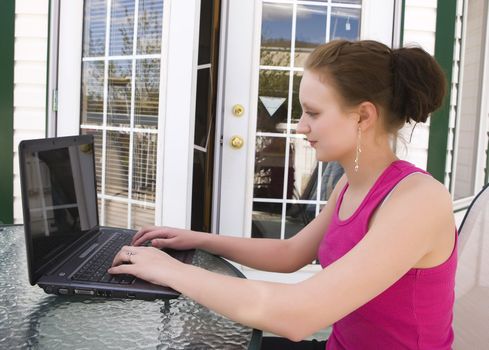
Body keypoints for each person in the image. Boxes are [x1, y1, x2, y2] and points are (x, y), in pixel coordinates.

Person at [109, 40, 457, 350]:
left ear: (363, 116)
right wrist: (195, 239)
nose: (301, 126)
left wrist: (169, 271)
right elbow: (291, 252)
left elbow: (299, 315)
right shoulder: (348, 184)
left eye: (313, 112)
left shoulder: (417, 201)